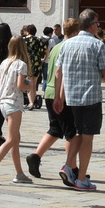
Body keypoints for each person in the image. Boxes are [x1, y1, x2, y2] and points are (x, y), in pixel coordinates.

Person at [50, 9, 105, 193]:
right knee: (87, 138)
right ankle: (81, 179)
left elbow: (59, 73)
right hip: (90, 97)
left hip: (71, 98)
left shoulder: (66, 44)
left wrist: (59, 97)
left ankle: (68, 165)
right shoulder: (97, 45)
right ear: (92, 25)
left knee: (78, 134)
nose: (99, 27)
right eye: (98, 24)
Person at [26, 18, 79, 180]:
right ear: (76, 32)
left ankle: (36, 156)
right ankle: (72, 167)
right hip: (61, 94)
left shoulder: (56, 47)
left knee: (55, 129)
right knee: (71, 132)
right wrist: (60, 96)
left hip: (49, 92)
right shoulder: (70, 47)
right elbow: (61, 73)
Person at [0, 35, 32, 185]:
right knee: (11, 139)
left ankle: (19, 174)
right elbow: (21, 85)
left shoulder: (4, 63)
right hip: (14, 104)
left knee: (15, 139)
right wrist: (31, 86)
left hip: (3, 103)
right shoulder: (21, 64)